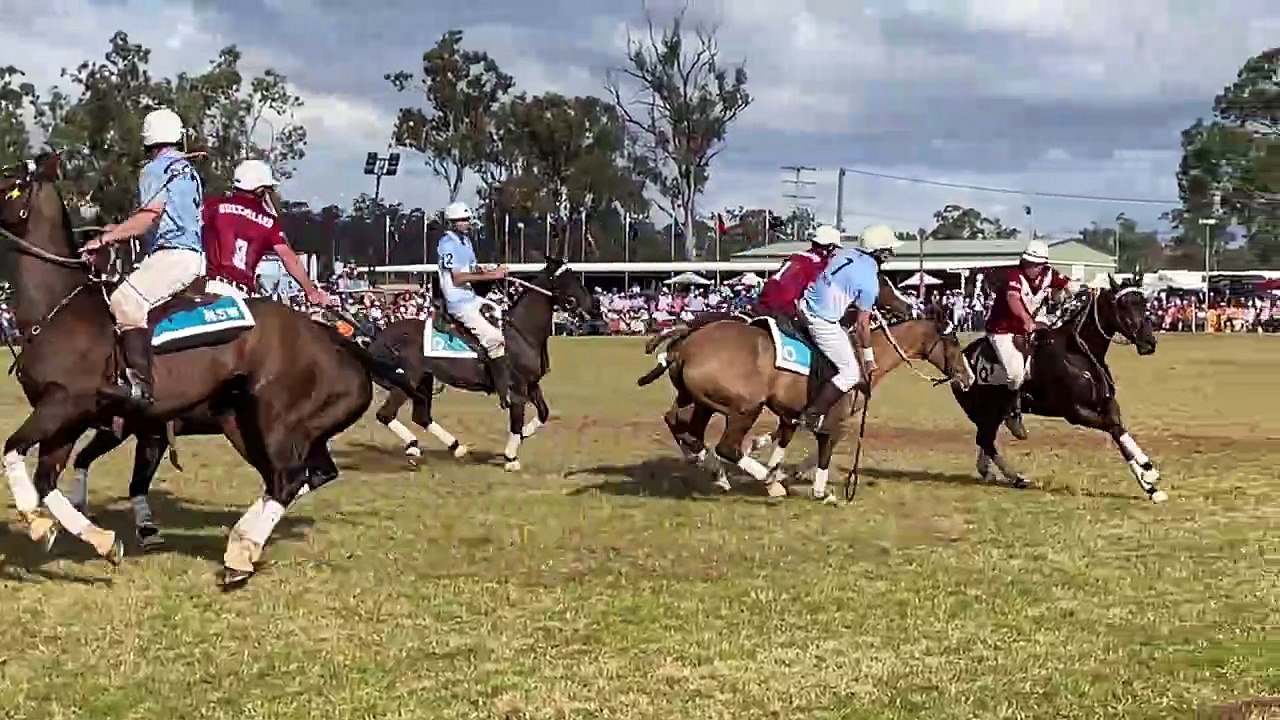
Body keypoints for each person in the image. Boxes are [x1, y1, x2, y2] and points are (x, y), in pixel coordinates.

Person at [80, 107, 205, 409]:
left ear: (147, 140)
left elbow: (149, 218)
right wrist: (118, 230)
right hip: (191, 256)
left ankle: (141, 386)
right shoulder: (186, 169)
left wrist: (104, 239)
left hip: (173, 256)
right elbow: (155, 219)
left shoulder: (155, 169)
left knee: (124, 300)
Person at [798, 224, 902, 432]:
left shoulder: (845, 254)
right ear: (878, 251)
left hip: (803, 304)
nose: (891, 254)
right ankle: (812, 414)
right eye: (888, 250)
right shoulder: (869, 280)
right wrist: (869, 358)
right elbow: (863, 325)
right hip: (821, 320)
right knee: (851, 374)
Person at [202, 159, 332, 307]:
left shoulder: (213, 206)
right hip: (243, 297)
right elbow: (288, 257)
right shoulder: (269, 222)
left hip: (212, 288)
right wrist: (311, 291)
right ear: (259, 190)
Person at [983, 238, 1075, 437]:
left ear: (1043, 265)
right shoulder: (1013, 276)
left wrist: (1083, 292)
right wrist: (1027, 320)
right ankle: (1010, 412)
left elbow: (1069, 285)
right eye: (1027, 262)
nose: (1030, 267)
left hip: (1029, 329)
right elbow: (1013, 299)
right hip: (1003, 329)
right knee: (1015, 373)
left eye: (1035, 264)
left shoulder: (1049, 275)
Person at [436, 201, 512, 408]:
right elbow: (459, 278)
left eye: (467, 219)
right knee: (494, 339)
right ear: (451, 222)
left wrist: (491, 270)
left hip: (471, 297)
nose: (466, 223)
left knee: (506, 321)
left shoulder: (466, 242)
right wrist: (492, 276)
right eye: (462, 220)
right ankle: (503, 391)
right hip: (458, 302)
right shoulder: (447, 244)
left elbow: (473, 268)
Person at [753, 224, 842, 322]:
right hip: (784, 310)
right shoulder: (818, 264)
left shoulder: (796, 257)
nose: (835, 253)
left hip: (761, 304)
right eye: (835, 248)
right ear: (829, 247)